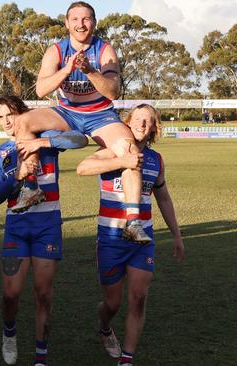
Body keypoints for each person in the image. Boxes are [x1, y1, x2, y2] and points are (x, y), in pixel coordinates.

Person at [9, 1, 150, 245]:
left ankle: (133, 222)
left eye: (86, 19)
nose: (80, 24)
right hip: (67, 112)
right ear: (66, 23)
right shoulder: (56, 50)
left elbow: (113, 92)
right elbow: (41, 89)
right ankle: (31, 188)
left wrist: (89, 71)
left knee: (130, 150)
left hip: (100, 115)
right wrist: (67, 70)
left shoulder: (104, 50)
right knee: (23, 122)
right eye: (75, 19)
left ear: (94, 23)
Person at [76, 104, 185, 366]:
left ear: (154, 127)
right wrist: (121, 161)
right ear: (128, 122)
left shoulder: (156, 160)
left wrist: (177, 235)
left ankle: (127, 359)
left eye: (148, 121)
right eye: (138, 119)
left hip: (142, 239)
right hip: (111, 239)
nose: (143, 124)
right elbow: (82, 167)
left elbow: (164, 198)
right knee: (112, 303)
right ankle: (105, 327)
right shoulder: (110, 150)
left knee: (138, 298)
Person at [0, 96, 88, 366]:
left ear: (23, 113)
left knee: (44, 295)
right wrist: (16, 176)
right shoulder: (0, 154)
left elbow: (80, 140)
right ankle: (9, 334)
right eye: (0, 117)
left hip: (47, 228)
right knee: (10, 295)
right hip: (16, 230)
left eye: (10, 113)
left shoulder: (47, 141)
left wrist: (42, 142)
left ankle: (41, 357)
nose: (7, 120)